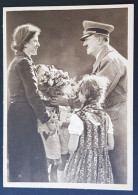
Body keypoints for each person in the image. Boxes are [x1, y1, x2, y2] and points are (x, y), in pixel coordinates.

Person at [50, 20, 127, 184]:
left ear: (100, 39)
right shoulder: (105, 59)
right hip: (111, 119)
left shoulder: (110, 60)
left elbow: (94, 96)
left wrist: (65, 101)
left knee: (118, 170)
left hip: (117, 120)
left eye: (87, 38)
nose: (84, 42)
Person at [7, 24, 52, 182]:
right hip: (24, 116)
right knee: (32, 161)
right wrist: (47, 119)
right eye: (35, 40)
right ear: (25, 42)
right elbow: (32, 95)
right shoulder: (24, 62)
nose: (38, 44)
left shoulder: (17, 61)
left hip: (17, 114)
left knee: (22, 161)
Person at [64, 75, 114, 183]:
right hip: (101, 166)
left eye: (79, 92)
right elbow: (111, 145)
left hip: (82, 164)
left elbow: (72, 147)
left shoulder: (78, 116)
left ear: (84, 95)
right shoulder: (106, 117)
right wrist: (96, 149)